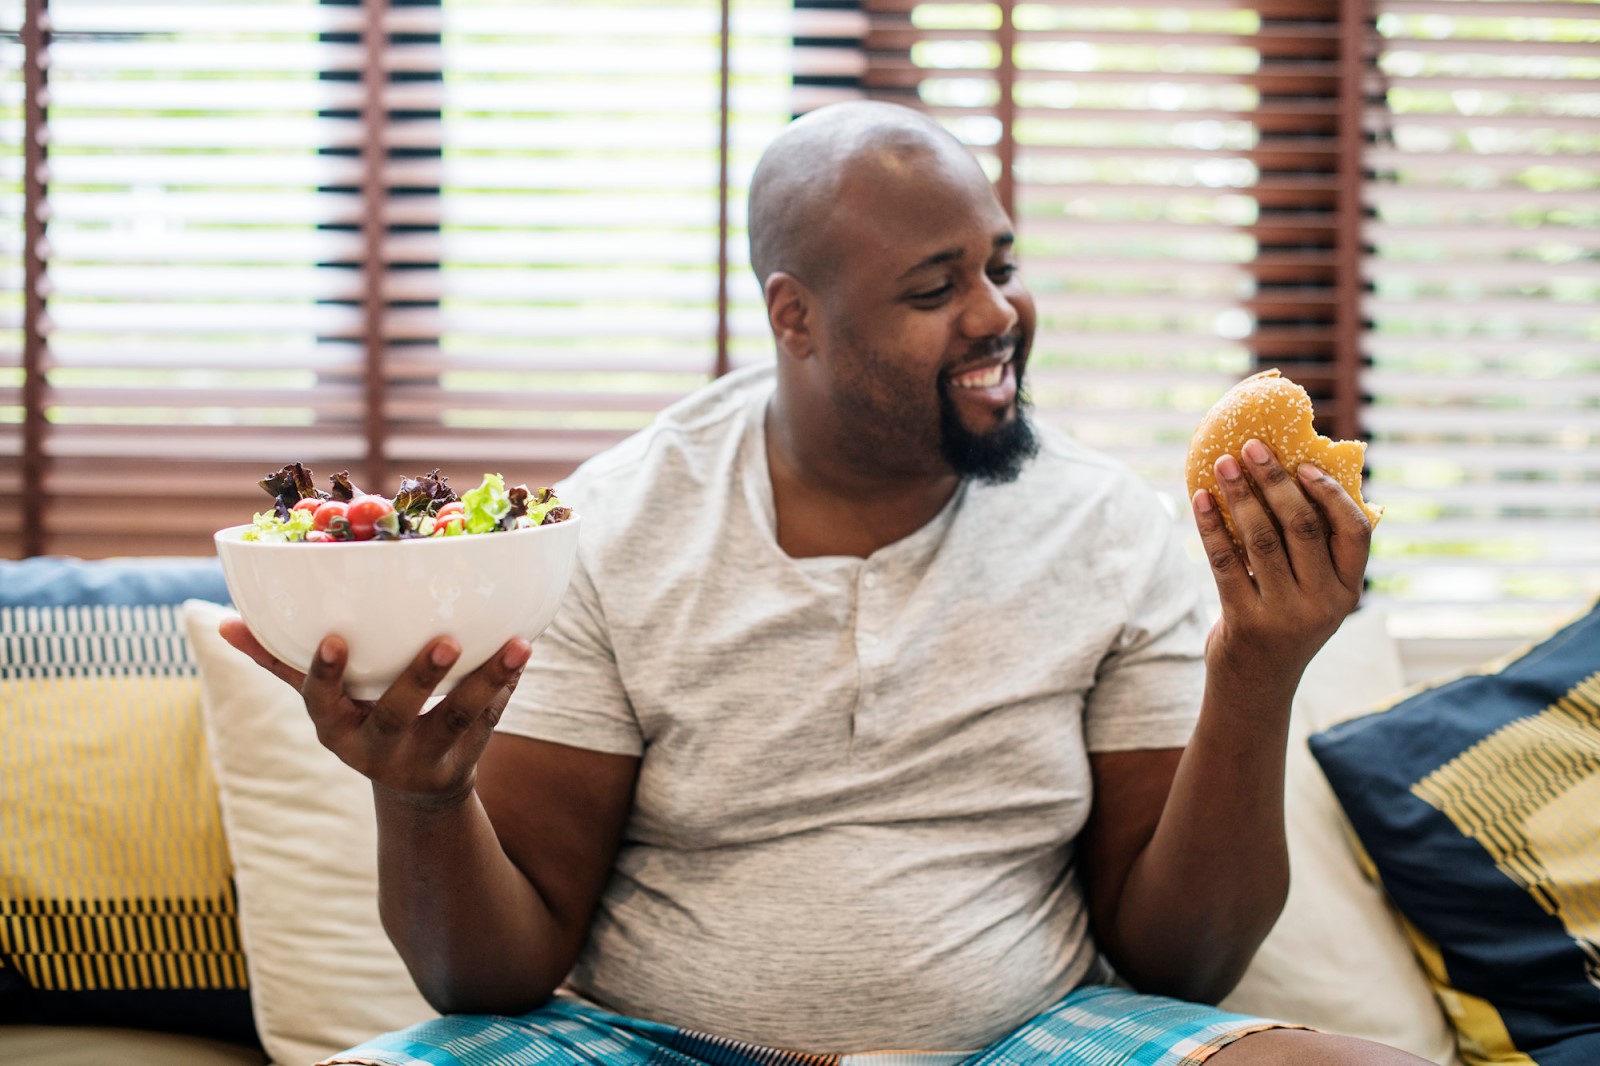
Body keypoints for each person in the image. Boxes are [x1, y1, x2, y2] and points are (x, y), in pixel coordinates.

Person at [222, 102, 1427, 1066]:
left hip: (1027, 1040)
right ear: (794, 318)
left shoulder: (1110, 527)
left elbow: (1186, 964)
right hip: (644, 1043)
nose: (997, 315)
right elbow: (488, 981)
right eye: (934, 287)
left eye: (1000, 266)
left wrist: (1255, 674)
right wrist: (425, 801)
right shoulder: (619, 520)